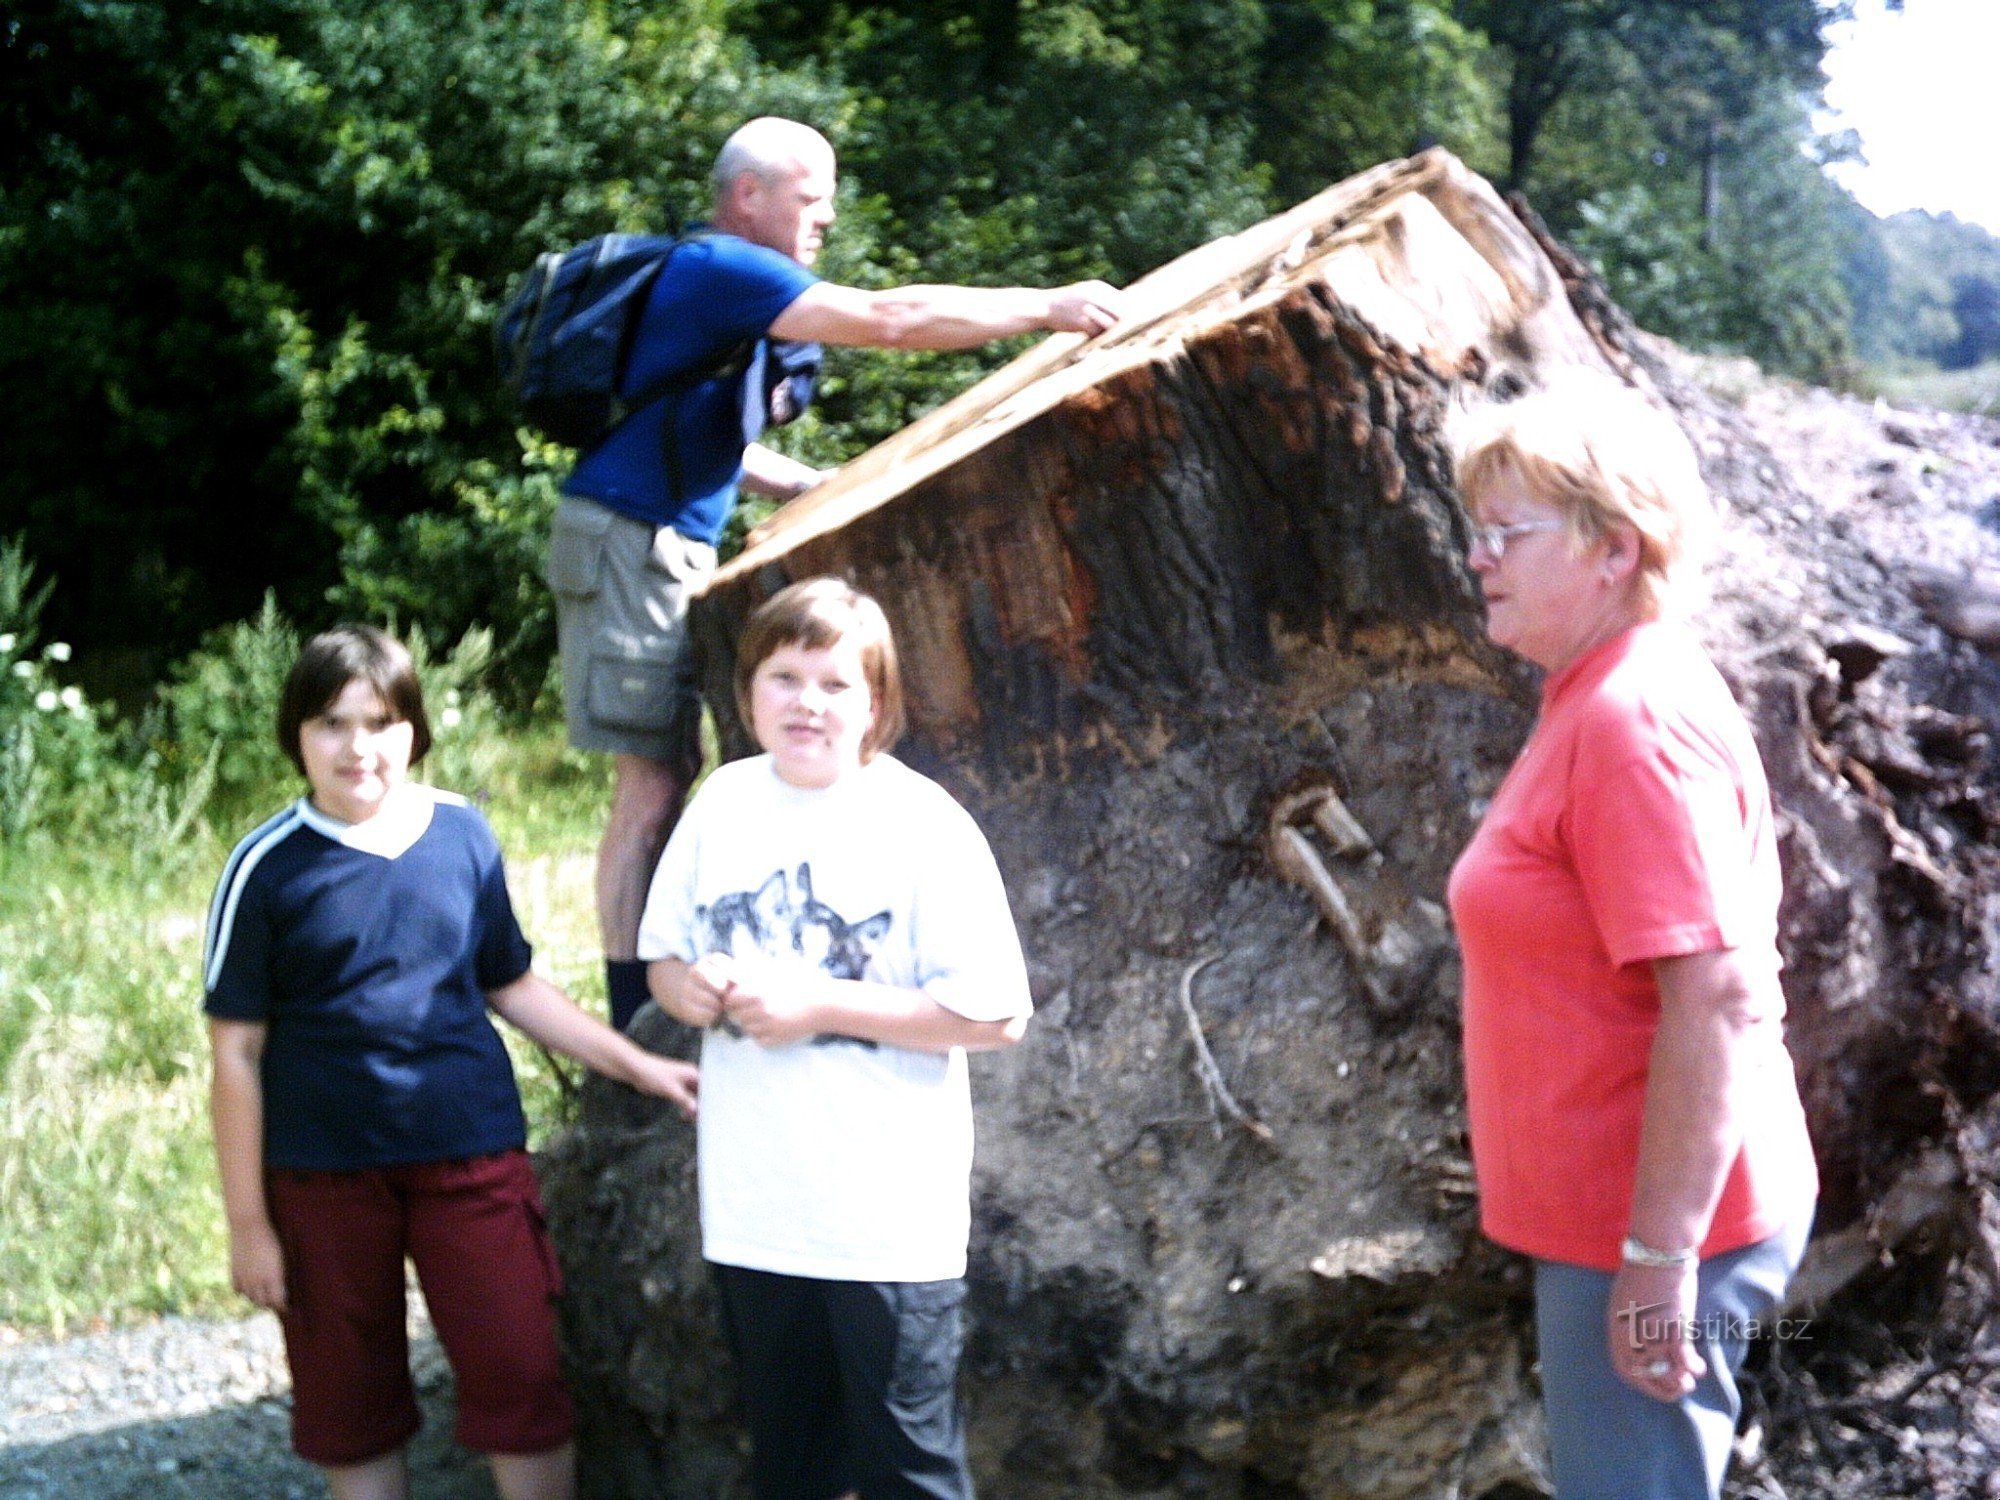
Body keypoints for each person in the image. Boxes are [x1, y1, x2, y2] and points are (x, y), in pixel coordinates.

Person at [550, 115, 1123, 1029]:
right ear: (750, 196)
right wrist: (1045, 306)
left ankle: (664, 985)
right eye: (810, 197)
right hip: (629, 538)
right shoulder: (723, 269)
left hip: (659, 532)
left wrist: (803, 483)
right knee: (652, 778)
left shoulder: (728, 291)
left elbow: (701, 428)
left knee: (674, 765)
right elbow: (890, 319)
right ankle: (630, 1015)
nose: (825, 218)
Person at [203, 625, 700, 1500]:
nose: (359, 748)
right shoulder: (265, 868)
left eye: (382, 722)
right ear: (295, 737)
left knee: (520, 1372)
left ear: (415, 732)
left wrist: (635, 1063)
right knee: (351, 1399)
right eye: (331, 724)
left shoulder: (461, 834)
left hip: (469, 1151)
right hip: (323, 1175)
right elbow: (237, 1053)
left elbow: (509, 981)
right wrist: (250, 1226)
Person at [1444, 380, 1818, 1500]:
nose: (1476, 558)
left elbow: (1719, 999)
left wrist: (1655, 1264)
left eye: (1506, 533)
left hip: (1656, 1231)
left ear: (1614, 550)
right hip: (1621, 1219)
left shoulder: (1630, 720)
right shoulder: (1592, 694)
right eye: (1476, 531)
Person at [636, 577, 1032, 1500]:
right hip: (755, 1211)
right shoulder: (721, 806)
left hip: (885, 1225)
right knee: (791, 1464)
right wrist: (691, 992)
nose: (806, 703)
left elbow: (996, 1015)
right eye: (783, 678)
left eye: (834, 683)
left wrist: (820, 1008)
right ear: (747, 693)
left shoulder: (923, 826)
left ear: (878, 704)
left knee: (910, 1469)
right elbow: (661, 962)